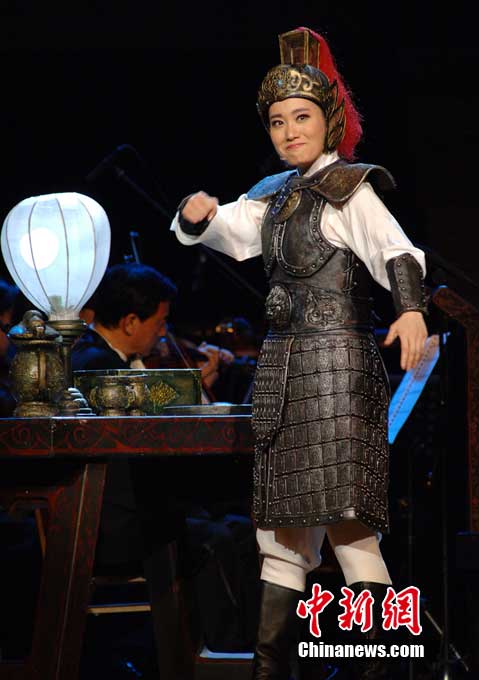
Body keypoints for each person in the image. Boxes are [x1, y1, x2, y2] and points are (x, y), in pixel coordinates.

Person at [171, 27, 428, 680]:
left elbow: (396, 251)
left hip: (338, 372)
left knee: (349, 527)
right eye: (278, 121)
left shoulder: (351, 187)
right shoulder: (275, 193)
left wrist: (410, 309)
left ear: (327, 120)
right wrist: (198, 216)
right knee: (281, 533)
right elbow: (230, 228)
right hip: (283, 371)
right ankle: (269, 671)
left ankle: (373, 670)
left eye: (301, 117)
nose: (289, 131)